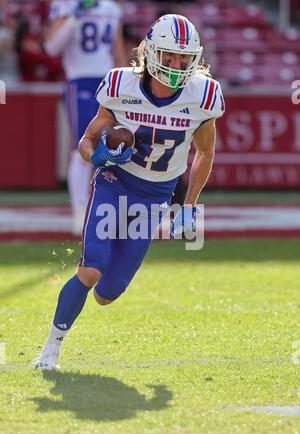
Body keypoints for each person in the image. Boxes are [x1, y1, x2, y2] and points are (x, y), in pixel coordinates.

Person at [33, 13, 225, 371]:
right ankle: (50, 351)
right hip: (115, 182)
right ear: (151, 53)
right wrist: (100, 156)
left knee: (107, 294)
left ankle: (92, 288)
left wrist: (189, 205)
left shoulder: (204, 95)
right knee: (91, 270)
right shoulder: (122, 85)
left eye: (184, 58)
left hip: (155, 196)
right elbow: (86, 142)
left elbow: (206, 152)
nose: (176, 64)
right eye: (169, 56)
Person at [45, 0, 126, 234]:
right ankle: (79, 209)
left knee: (114, 145)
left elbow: (118, 52)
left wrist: (126, 87)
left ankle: (106, 205)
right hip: (79, 80)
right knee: (79, 148)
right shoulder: (65, 5)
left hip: (108, 83)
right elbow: (51, 47)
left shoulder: (111, 10)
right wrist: (73, 16)